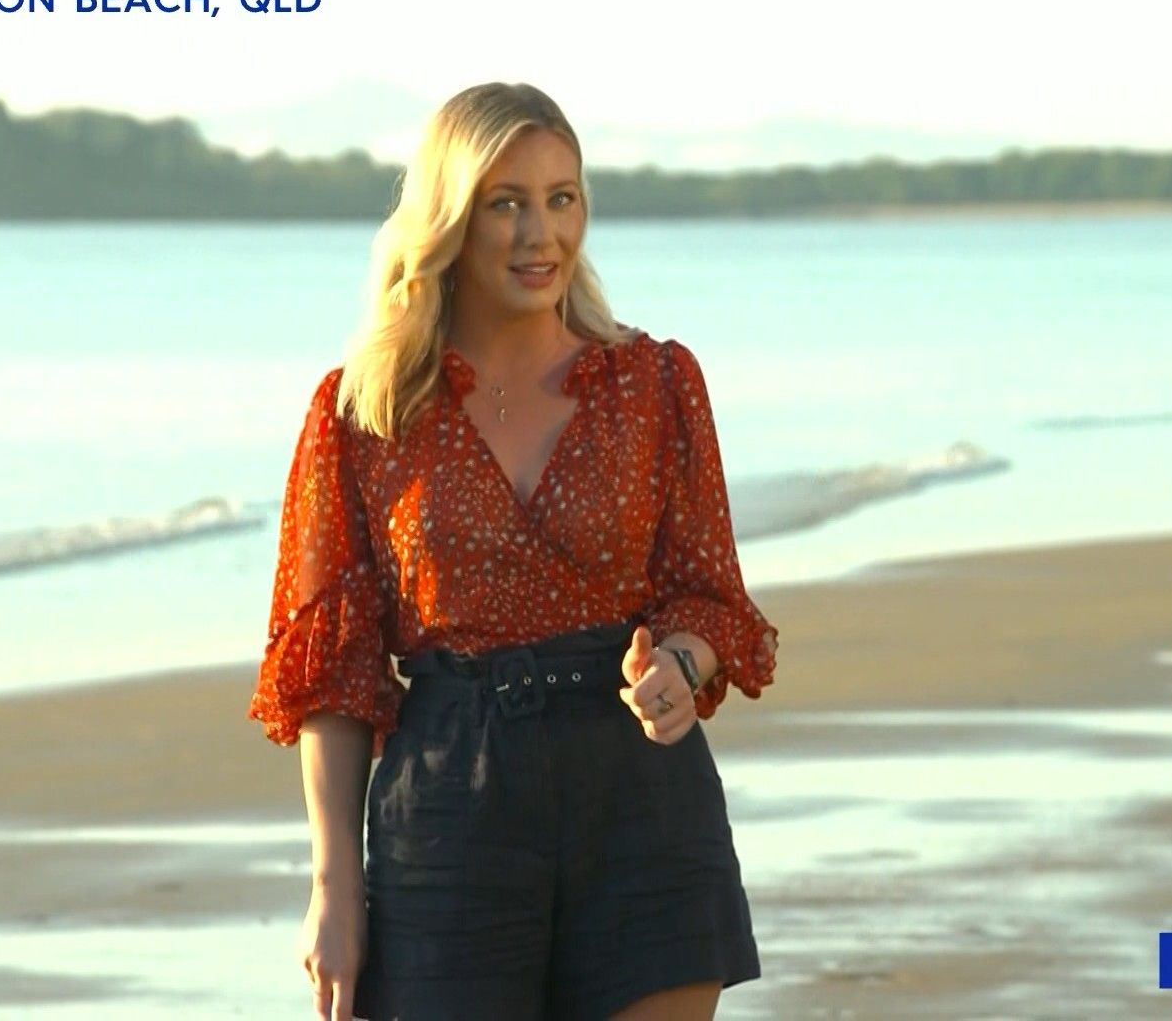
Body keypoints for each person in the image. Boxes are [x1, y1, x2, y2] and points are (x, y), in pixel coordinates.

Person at [248, 82, 780, 1021]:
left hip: (642, 803)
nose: (542, 234)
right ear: (449, 219)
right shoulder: (365, 411)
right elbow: (334, 673)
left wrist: (680, 667)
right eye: (507, 204)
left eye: (561, 198)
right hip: (449, 810)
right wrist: (334, 888)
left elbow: (709, 597)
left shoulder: (654, 382)